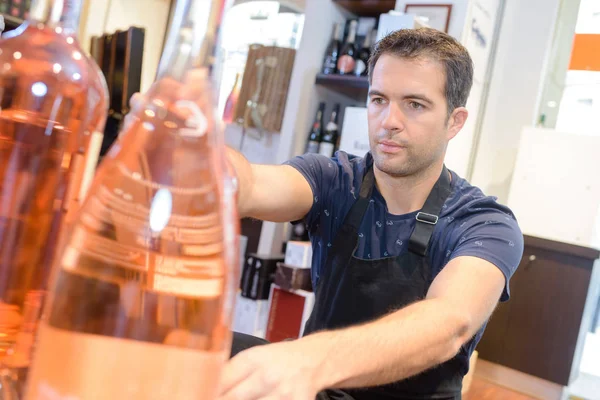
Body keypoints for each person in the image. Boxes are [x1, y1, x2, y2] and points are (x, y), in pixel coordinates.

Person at [130, 28, 524, 400]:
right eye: (379, 99)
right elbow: (249, 184)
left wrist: (309, 360)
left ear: (454, 121)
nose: (389, 121)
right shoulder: (336, 180)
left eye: (415, 105)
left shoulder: (484, 222)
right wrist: (196, 156)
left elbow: (448, 323)